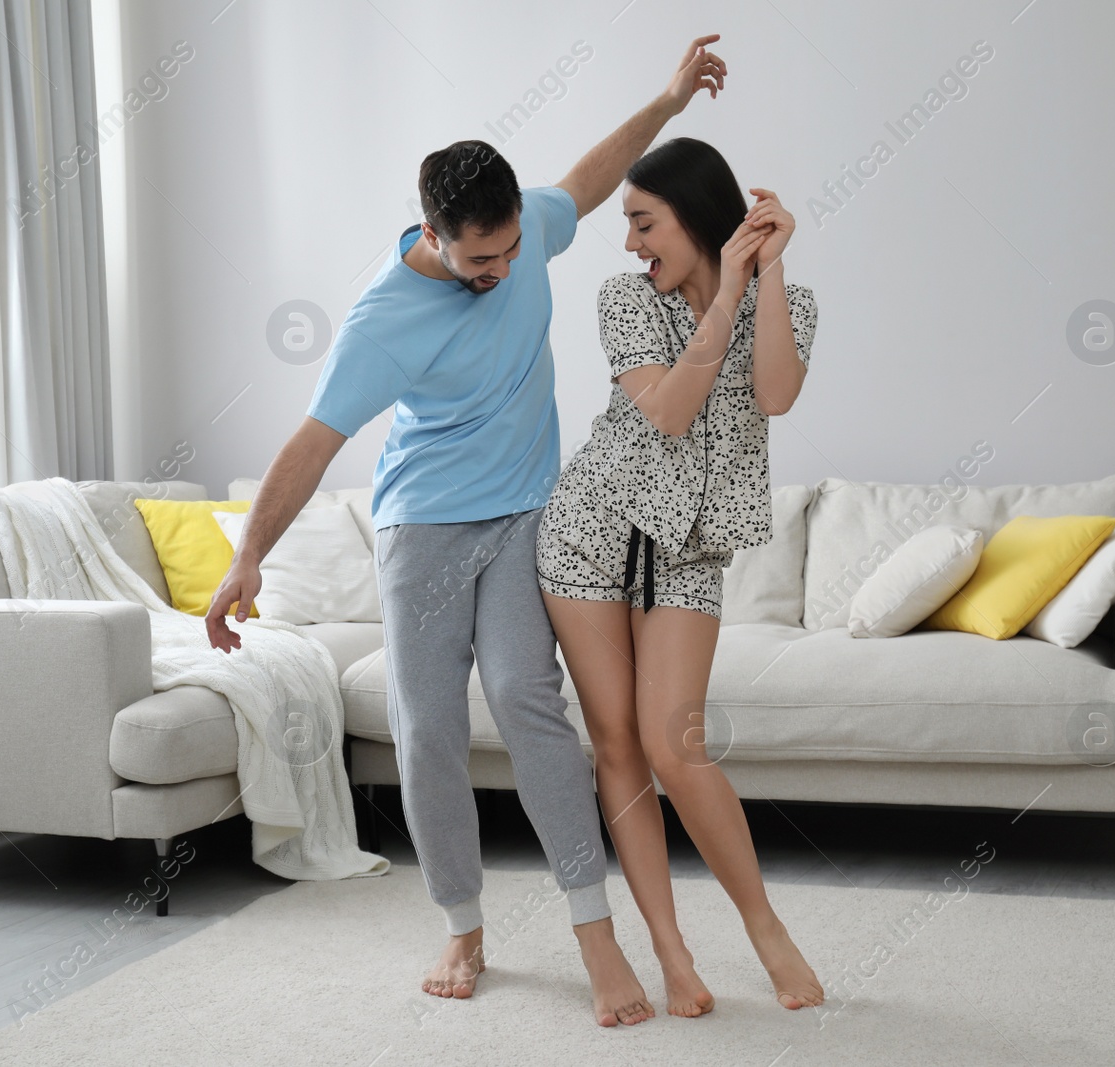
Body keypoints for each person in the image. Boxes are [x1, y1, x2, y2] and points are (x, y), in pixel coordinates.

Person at [207, 36, 734, 1029]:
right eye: (478, 258)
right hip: (425, 528)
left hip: (526, 509)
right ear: (434, 234)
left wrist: (666, 99)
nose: (498, 269)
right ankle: (461, 920)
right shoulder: (381, 321)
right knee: (430, 725)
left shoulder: (526, 228)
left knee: (531, 703)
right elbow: (312, 444)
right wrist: (246, 557)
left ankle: (594, 932)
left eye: (506, 251)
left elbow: (590, 171)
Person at [533, 136, 826, 1016]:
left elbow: (773, 393)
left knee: (675, 744)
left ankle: (765, 926)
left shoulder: (792, 300)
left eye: (641, 221)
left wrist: (761, 275)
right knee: (617, 743)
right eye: (626, 222)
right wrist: (724, 292)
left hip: (690, 550)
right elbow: (665, 410)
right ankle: (670, 951)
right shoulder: (625, 299)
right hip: (589, 533)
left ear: (696, 218)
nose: (628, 242)